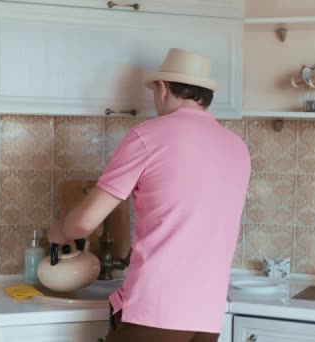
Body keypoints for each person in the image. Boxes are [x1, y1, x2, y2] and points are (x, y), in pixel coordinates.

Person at [48, 48, 251, 342]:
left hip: (156, 312)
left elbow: (83, 223)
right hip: (207, 318)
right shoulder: (237, 147)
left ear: (163, 88)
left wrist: (59, 232)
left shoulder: (148, 136)